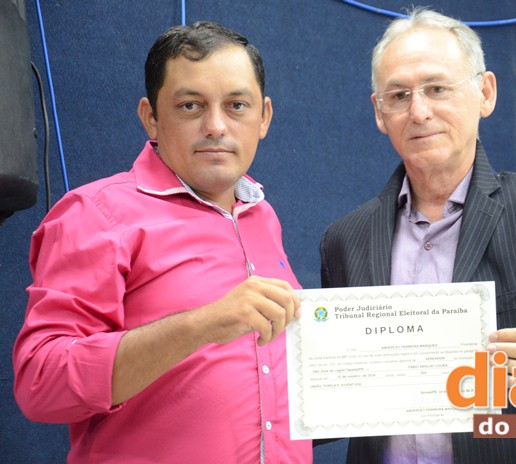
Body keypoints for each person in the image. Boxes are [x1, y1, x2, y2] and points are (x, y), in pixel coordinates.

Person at [319, 8, 516, 464]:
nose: (419, 111)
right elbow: (334, 393)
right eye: (399, 95)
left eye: (437, 88)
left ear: (485, 93)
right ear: (379, 112)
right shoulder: (344, 240)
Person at [13, 21, 311, 463]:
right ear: (150, 116)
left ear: (263, 117)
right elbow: (41, 384)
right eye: (190, 105)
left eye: (236, 105)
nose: (216, 126)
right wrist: (200, 325)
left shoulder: (261, 215)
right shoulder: (94, 214)